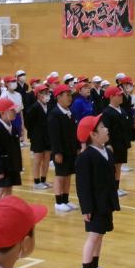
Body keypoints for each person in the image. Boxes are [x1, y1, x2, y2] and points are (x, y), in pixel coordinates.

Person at [75, 115, 120, 268]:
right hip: (94, 205)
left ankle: (94, 265)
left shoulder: (107, 152)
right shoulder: (85, 157)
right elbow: (82, 186)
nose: (106, 129)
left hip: (105, 202)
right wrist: (86, 208)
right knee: (93, 236)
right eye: (102, 127)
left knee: (100, 234)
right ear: (93, 135)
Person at [47, 84, 78, 213]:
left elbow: (73, 133)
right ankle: (58, 202)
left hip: (70, 150)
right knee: (60, 176)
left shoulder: (69, 112)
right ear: (58, 97)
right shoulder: (54, 114)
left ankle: (66, 199)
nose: (70, 98)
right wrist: (57, 152)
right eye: (67, 95)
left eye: (70, 95)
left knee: (68, 175)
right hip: (61, 151)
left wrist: (77, 147)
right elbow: (54, 136)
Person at [101, 86, 130, 197]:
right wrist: (108, 144)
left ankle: (116, 188)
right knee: (113, 168)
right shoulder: (107, 112)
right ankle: (112, 189)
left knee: (118, 166)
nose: (121, 97)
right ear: (112, 97)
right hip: (113, 145)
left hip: (122, 143)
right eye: (119, 95)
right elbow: (106, 130)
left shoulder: (122, 110)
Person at [0, 99, 22, 200]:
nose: (14, 112)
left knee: (9, 189)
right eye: (11, 110)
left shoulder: (14, 128)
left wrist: (18, 165)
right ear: (2, 112)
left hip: (12, 165)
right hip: (2, 166)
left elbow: (16, 149)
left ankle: (6, 207)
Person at [25, 84, 51, 190]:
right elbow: (27, 123)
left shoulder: (49, 106)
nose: (47, 95)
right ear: (38, 95)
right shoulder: (34, 108)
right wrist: (34, 134)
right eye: (44, 93)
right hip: (37, 138)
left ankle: (43, 180)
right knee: (38, 159)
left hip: (48, 137)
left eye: (47, 93)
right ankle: (36, 182)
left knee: (47, 159)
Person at [2, 76, 25, 144]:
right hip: (9, 118)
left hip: (17, 118)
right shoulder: (4, 95)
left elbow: (20, 110)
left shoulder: (18, 95)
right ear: (6, 84)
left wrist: (22, 123)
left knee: (17, 139)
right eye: (11, 81)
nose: (14, 83)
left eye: (15, 81)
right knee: (9, 139)